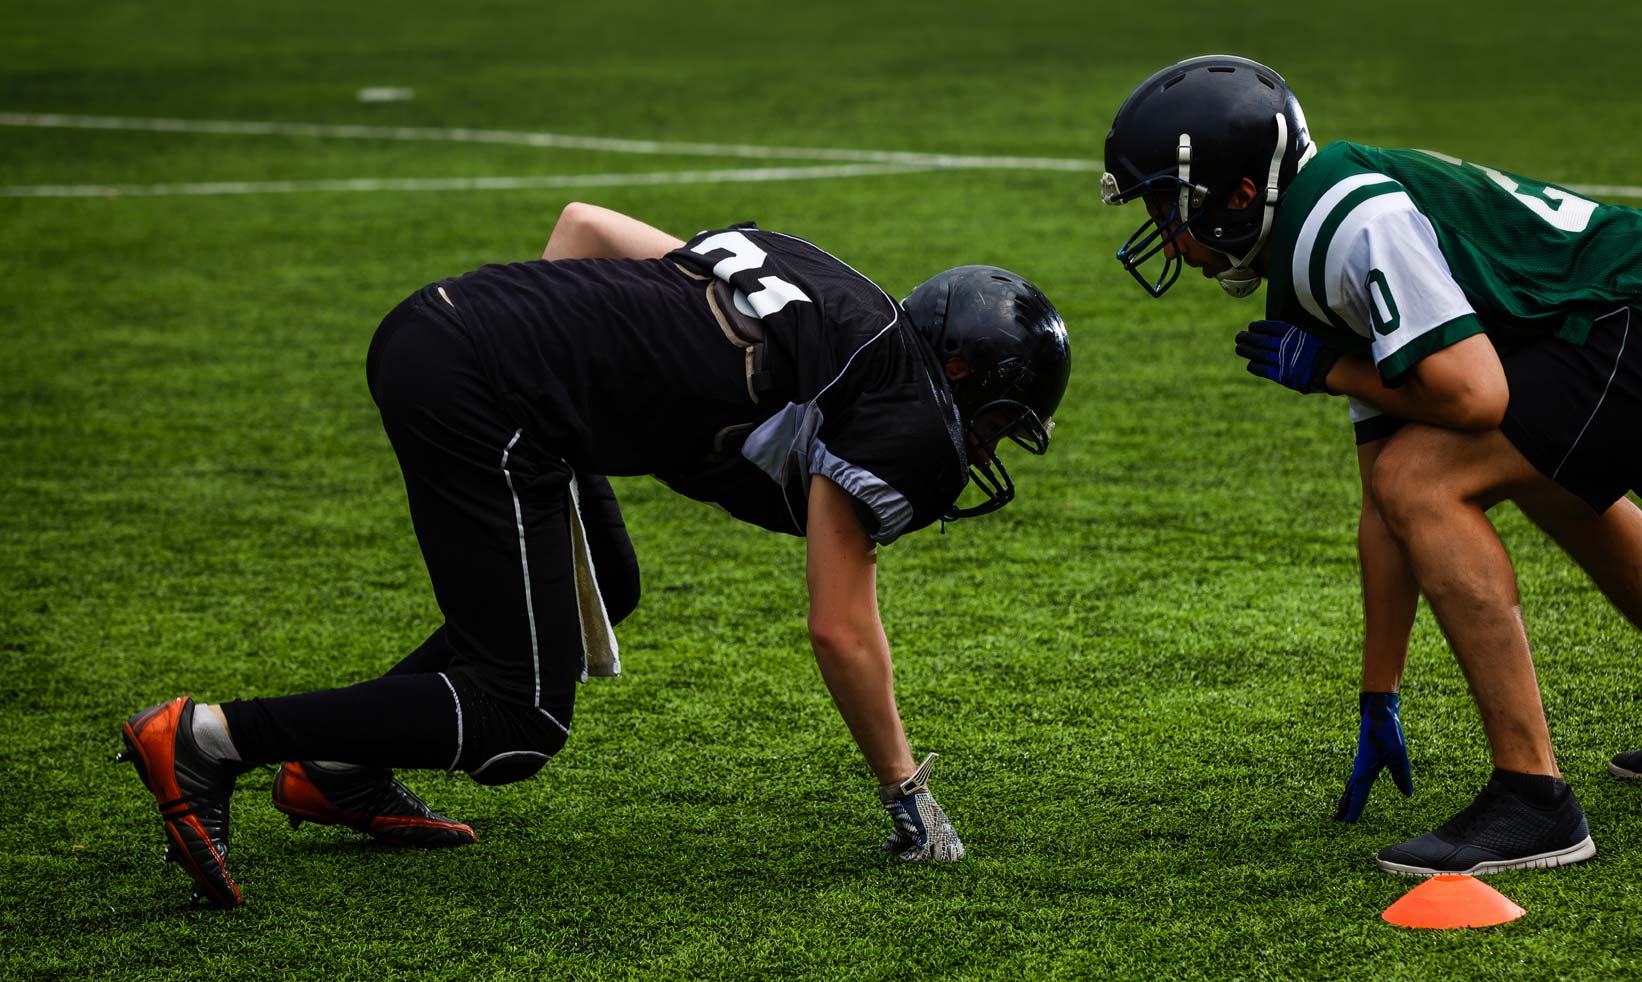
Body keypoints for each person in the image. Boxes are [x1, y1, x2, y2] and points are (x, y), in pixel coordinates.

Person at [117, 203, 1070, 907]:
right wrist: (905, 791)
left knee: (596, 592)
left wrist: (579, 375)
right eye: (993, 423)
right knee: (517, 717)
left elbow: (582, 230)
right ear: (956, 372)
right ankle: (206, 738)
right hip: (485, 386)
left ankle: (335, 770)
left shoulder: (832, 294)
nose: (978, 452)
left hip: (472, 334)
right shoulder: (900, 407)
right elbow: (838, 628)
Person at [1100, 56, 1642, 875]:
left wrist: (1329, 370)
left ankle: (1533, 797)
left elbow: (1470, 398)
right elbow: (1382, 502)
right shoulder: (1311, 238)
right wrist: (1378, 689)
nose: (1160, 226)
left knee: (1428, 478)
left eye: (1164, 201)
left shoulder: (1346, 220)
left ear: (1237, 191)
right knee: (1510, 486)